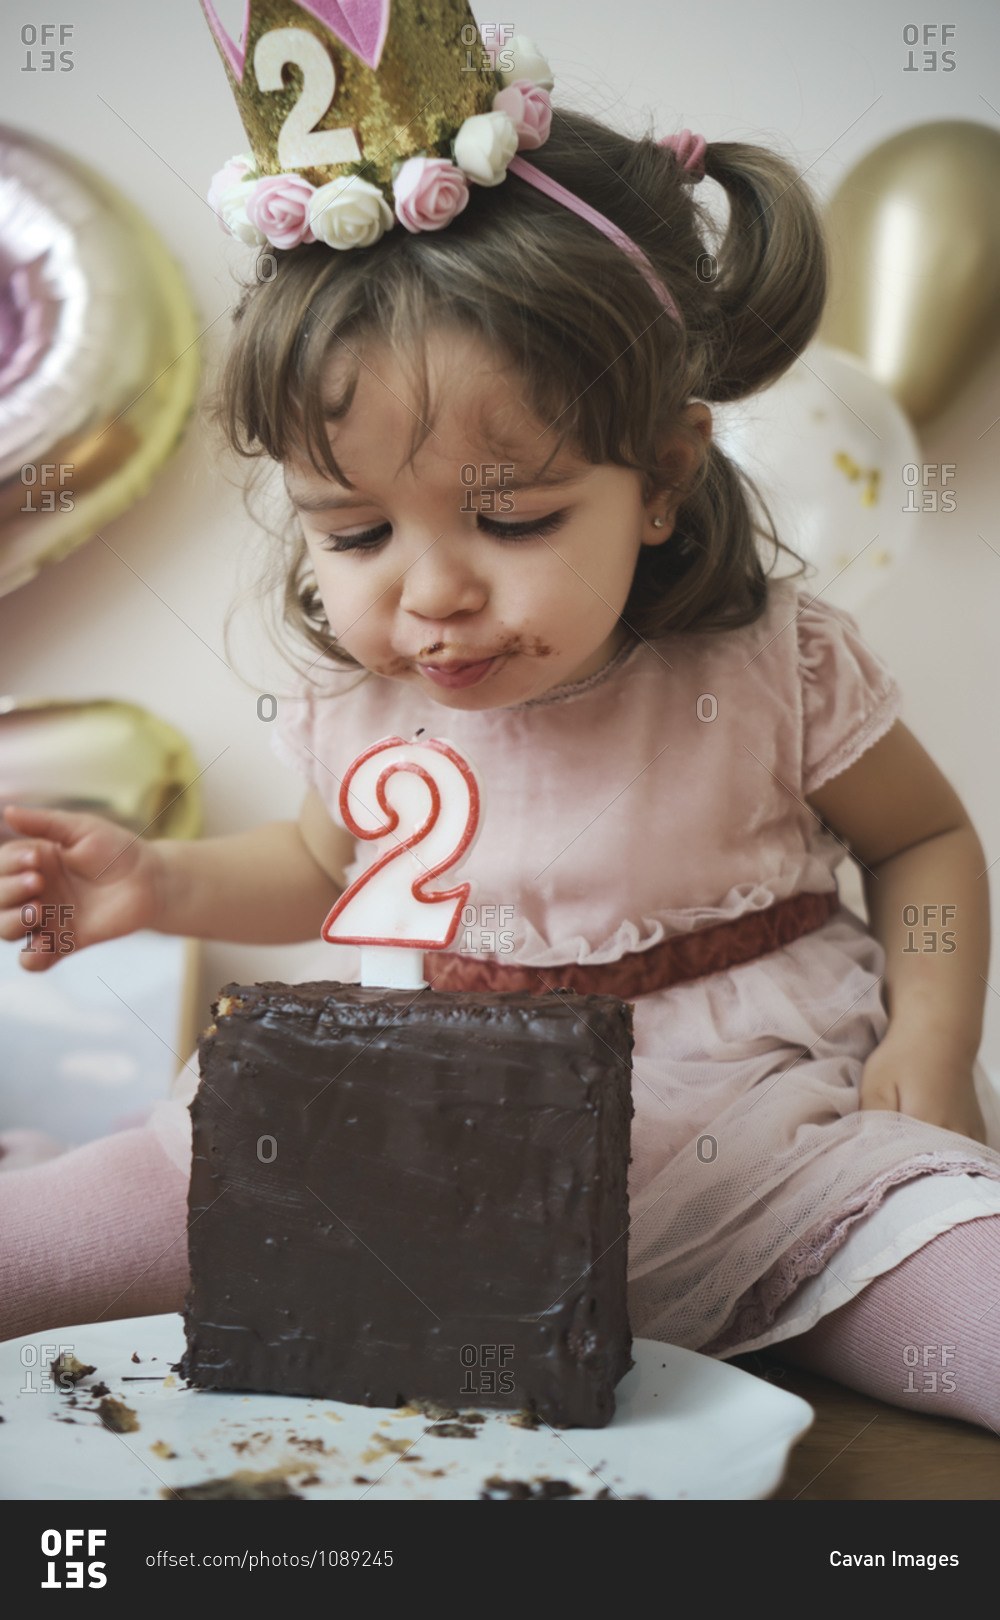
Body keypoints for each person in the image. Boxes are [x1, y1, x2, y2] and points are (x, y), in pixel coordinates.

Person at [2, 89, 1000, 1436]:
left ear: (660, 474)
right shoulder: (367, 700)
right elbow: (318, 867)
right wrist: (158, 882)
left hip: (773, 1160)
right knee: (75, 1236)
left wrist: (931, 1052)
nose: (431, 597)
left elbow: (921, 842)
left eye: (512, 516)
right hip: (405, 1162)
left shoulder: (772, 666)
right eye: (355, 535)